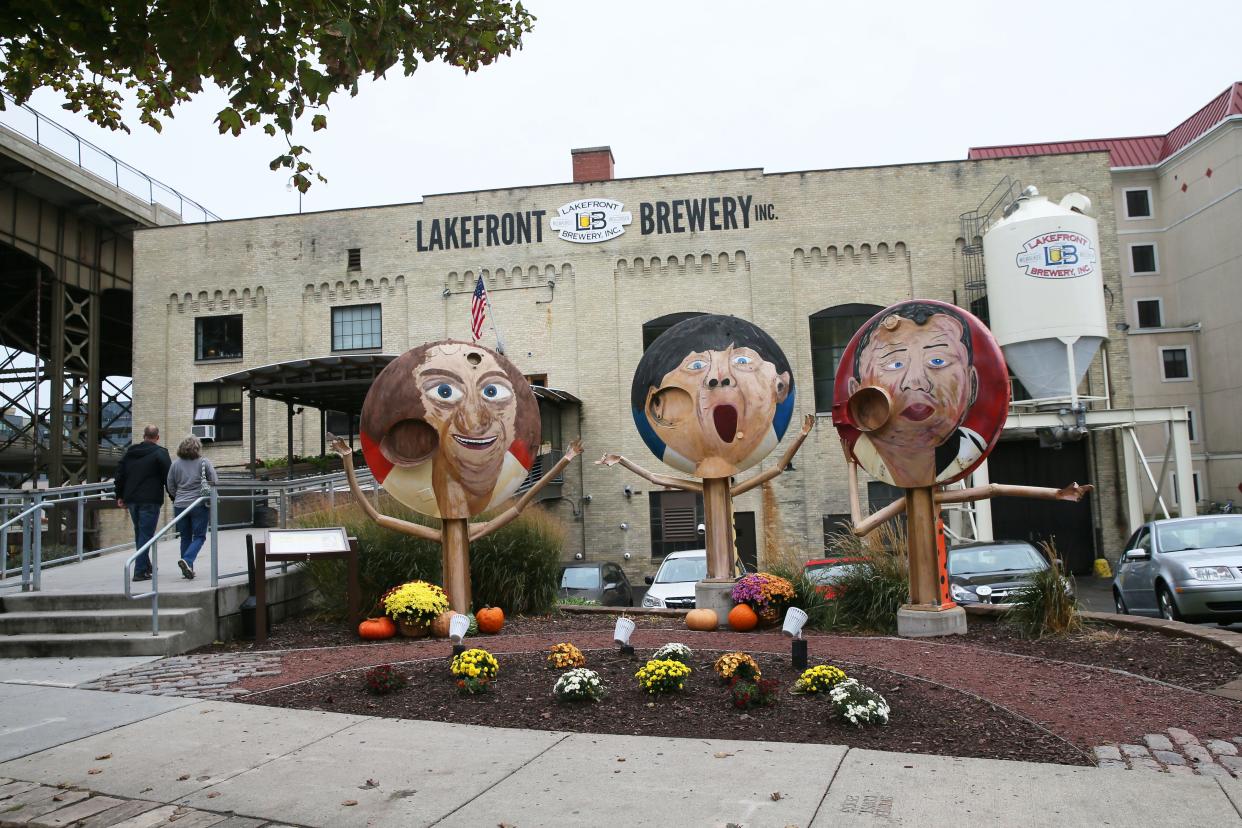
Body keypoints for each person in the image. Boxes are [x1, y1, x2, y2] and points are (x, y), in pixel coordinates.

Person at [846, 301, 984, 488]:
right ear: (856, 391)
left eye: (937, 361)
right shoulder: (861, 453)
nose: (916, 381)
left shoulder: (974, 447)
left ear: (972, 384)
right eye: (895, 364)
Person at [114, 424, 171, 581]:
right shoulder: (161, 453)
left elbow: (119, 475)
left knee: (140, 533)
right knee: (146, 534)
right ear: (157, 437)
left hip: (131, 499)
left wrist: (119, 495)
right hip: (150, 499)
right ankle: (140, 571)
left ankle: (146, 565)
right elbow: (169, 478)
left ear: (144, 436)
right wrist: (173, 496)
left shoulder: (130, 453)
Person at [166, 435, 218, 579]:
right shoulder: (204, 462)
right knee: (200, 536)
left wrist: (179, 496)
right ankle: (188, 561)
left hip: (180, 505)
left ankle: (187, 568)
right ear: (198, 448)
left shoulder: (175, 465)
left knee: (185, 537)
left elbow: (170, 485)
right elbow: (214, 481)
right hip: (198, 504)